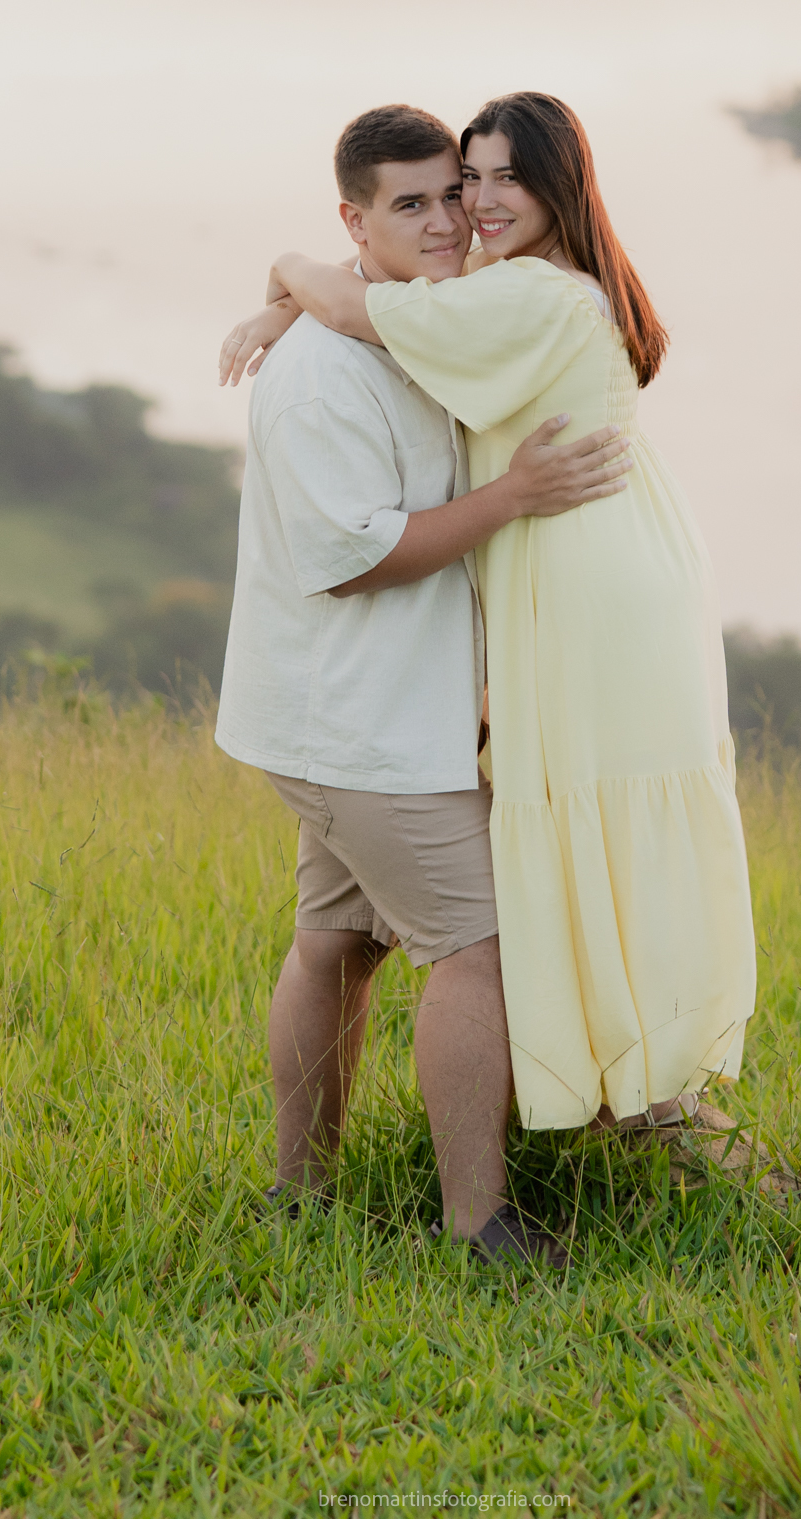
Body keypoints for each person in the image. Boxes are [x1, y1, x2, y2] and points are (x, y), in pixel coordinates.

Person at [223, 91, 757, 1137]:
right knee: (565, 858)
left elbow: (362, 304)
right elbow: (376, 300)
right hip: (588, 561)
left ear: (561, 182)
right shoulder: (505, 283)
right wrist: (293, 300)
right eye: (472, 180)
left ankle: (641, 1103)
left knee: (574, 851)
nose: (477, 203)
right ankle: (639, 1105)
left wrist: (286, 273)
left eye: (504, 177)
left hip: (587, 576)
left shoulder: (529, 298)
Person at [215, 103, 630, 1261]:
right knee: (483, 944)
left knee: (337, 938)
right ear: (358, 219)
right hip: (355, 722)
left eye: (455, 192)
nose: (449, 218)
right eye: (413, 202)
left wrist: (284, 283)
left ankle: (300, 1196)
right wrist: (516, 496)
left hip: (369, 711)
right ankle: (478, 1221)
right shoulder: (316, 385)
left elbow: (360, 293)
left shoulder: (420, 320)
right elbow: (352, 561)